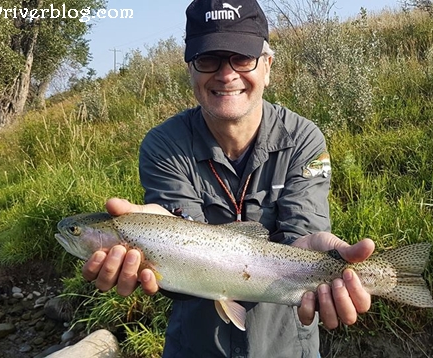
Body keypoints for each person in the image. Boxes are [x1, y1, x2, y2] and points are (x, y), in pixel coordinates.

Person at [82, 0, 375, 356]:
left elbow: (304, 232)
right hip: (197, 345)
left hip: (286, 344)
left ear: (267, 67)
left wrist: (323, 258)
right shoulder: (164, 145)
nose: (226, 74)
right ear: (190, 70)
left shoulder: (303, 138)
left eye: (242, 58)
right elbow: (179, 256)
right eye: (209, 60)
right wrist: (155, 246)